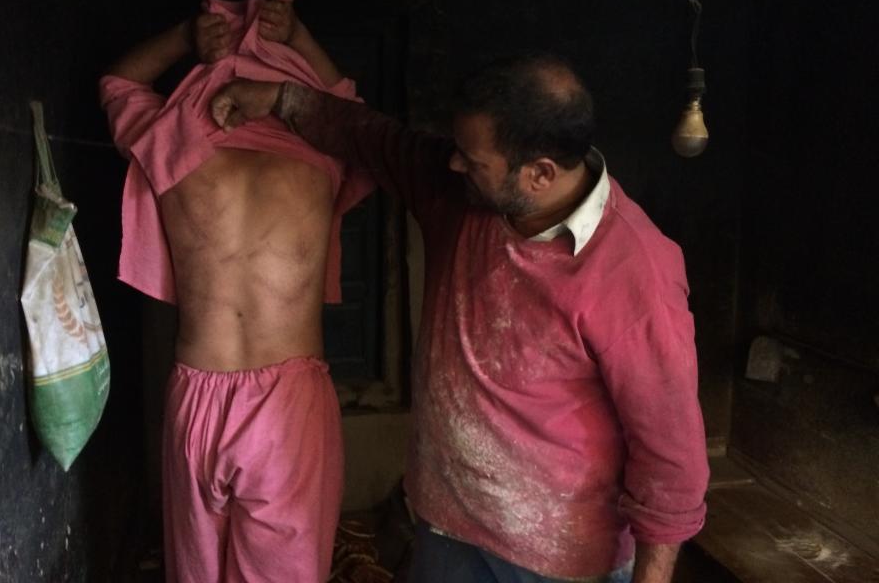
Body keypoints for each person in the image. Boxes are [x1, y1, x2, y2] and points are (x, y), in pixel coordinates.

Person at [208, 54, 710, 583]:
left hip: (559, 558)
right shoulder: (463, 196)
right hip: (446, 528)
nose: (453, 165)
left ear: (539, 173)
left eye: (473, 160)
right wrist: (281, 99)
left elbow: (670, 457)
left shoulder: (636, 272)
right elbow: (375, 139)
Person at [100, 0, 373, 583]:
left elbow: (119, 81)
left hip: (196, 393)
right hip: (288, 405)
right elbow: (357, 119)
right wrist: (298, 38)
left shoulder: (172, 145)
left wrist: (185, 37)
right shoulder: (321, 158)